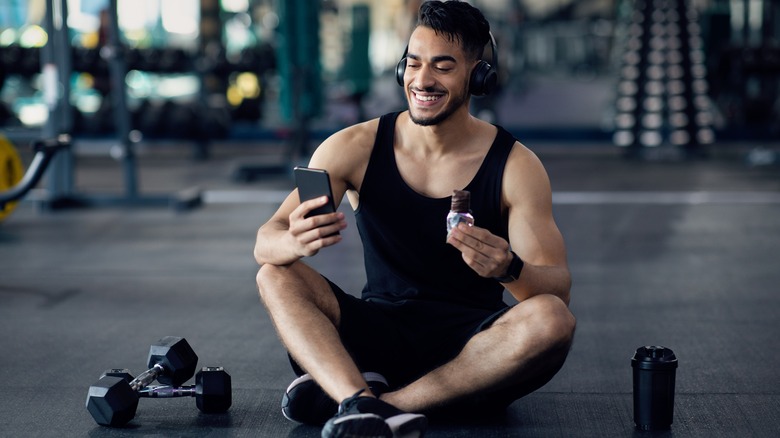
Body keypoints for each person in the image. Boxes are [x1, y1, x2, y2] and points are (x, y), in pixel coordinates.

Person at [254, 1, 576, 437]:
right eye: (414, 63)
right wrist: (294, 241)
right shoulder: (352, 147)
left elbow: (557, 288)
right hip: (376, 331)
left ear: (478, 75)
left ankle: (369, 405)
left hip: (473, 350)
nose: (422, 80)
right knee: (275, 276)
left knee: (552, 320)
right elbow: (266, 241)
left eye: (443, 67)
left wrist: (510, 269)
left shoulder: (516, 166)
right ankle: (359, 398)